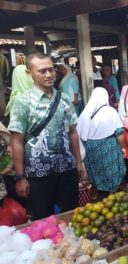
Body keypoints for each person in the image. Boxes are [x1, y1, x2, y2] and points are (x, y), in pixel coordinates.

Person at [8, 52, 84, 220]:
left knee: (70, 217)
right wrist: (20, 177)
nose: (49, 74)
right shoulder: (23, 102)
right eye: (42, 71)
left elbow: (72, 132)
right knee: (44, 220)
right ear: (29, 73)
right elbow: (17, 141)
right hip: (38, 175)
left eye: (51, 69)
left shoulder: (63, 99)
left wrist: (78, 163)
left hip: (66, 170)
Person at [76, 88, 126, 196]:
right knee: (112, 171)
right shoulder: (111, 111)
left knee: (96, 172)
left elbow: (78, 134)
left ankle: (95, 193)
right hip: (109, 146)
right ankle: (112, 194)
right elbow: (120, 133)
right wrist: (123, 147)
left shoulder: (85, 113)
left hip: (91, 148)